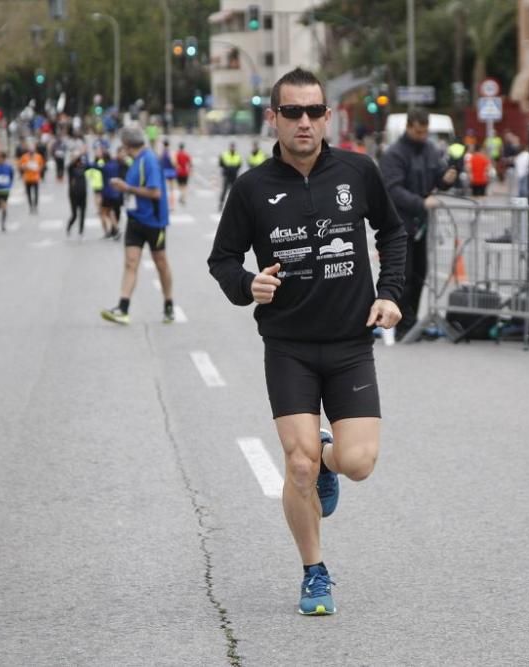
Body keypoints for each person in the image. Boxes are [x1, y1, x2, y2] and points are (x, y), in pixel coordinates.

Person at [207, 67, 406, 616]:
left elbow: (391, 232)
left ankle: (324, 453)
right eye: (291, 112)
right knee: (297, 468)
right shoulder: (252, 188)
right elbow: (222, 260)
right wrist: (249, 285)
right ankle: (314, 572)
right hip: (289, 345)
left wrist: (389, 292)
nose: (304, 122)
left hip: (350, 344)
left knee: (359, 463)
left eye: (314, 111)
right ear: (273, 118)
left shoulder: (358, 172)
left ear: (327, 116)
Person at [379, 108, 458, 340]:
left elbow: (439, 177)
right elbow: (392, 190)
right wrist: (421, 203)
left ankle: (412, 320)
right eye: (418, 131)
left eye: (425, 132)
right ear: (408, 127)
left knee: (420, 274)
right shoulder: (394, 154)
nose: (422, 136)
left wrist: (446, 180)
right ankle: (403, 323)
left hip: (421, 225)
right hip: (399, 225)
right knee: (403, 275)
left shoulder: (431, 151)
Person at [101, 125, 175, 325]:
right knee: (130, 262)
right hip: (135, 220)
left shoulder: (149, 160)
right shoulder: (136, 161)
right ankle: (123, 308)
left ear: (126, 144)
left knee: (161, 263)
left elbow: (155, 193)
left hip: (153, 221)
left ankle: (168, 303)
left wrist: (127, 188)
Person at [100, 147, 124, 240]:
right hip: (116, 192)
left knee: (104, 212)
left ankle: (115, 229)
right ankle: (114, 229)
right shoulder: (116, 165)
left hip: (107, 193)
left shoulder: (104, 167)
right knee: (110, 212)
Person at [66, 152, 89, 237]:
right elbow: (71, 164)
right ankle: (69, 226)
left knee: (83, 213)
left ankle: (81, 231)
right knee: (75, 215)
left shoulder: (83, 166)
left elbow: (90, 165)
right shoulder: (70, 168)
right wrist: (79, 154)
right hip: (73, 194)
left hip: (83, 194)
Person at [18, 143, 44, 213]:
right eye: (30, 150)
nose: (31, 152)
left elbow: (41, 166)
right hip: (27, 178)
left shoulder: (38, 156)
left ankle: (35, 206)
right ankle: (30, 206)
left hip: (35, 178)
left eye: (32, 150)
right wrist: (25, 166)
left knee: (36, 193)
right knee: (28, 193)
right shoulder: (24, 157)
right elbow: (20, 166)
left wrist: (38, 169)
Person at [218, 142, 242, 211]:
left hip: (234, 176)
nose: (232, 148)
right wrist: (227, 168)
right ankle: (221, 204)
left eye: (233, 147)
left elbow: (239, 165)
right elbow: (221, 164)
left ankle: (234, 205)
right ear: (229, 147)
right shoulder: (224, 154)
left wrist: (234, 169)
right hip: (227, 175)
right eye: (231, 147)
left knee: (234, 192)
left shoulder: (238, 155)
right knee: (224, 191)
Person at [160, 139, 177, 208]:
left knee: (165, 190)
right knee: (172, 190)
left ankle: (165, 205)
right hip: (171, 172)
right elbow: (173, 163)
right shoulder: (171, 152)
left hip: (164, 172)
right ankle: (172, 205)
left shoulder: (162, 153)